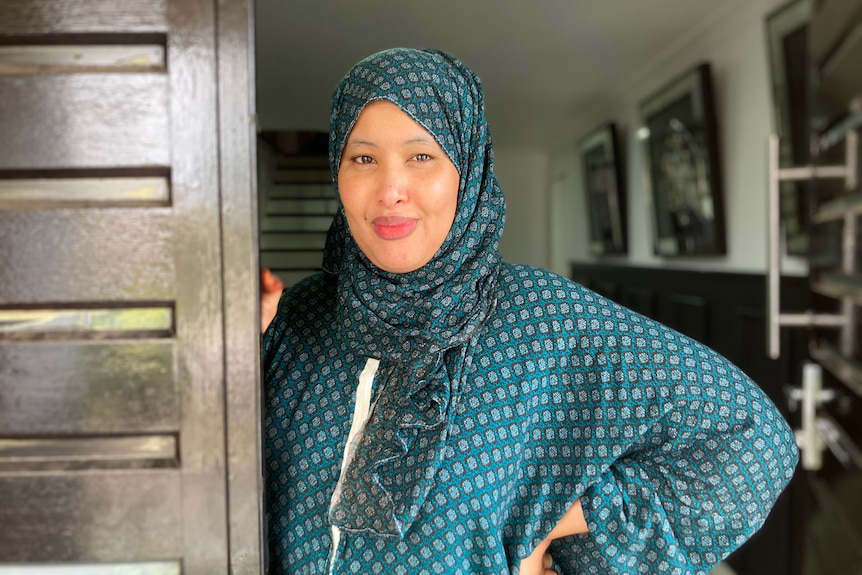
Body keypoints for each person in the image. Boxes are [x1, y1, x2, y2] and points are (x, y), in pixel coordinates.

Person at [261, 47, 798, 575]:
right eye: (363, 158)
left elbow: (751, 440)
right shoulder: (295, 318)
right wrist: (242, 353)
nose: (390, 188)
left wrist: (562, 528)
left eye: (421, 155)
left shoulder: (544, 323)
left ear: (466, 168)